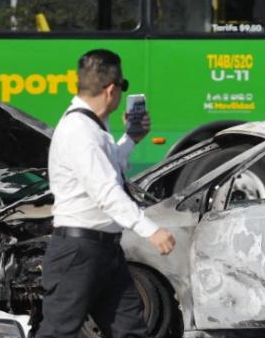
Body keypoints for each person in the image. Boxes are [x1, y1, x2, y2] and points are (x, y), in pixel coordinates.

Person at [36, 49, 176, 338]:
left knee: (130, 331)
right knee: (58, 332)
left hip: (104, 251)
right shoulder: (80, 131)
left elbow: (108, 169)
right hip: (78, 252)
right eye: (123, 86)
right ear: (111, 90)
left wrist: (131, 139)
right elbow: (106, 192)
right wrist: (150, 230)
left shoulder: (92, 128)